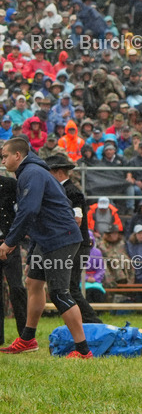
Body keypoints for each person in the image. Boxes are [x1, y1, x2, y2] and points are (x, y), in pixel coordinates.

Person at [0, 138, 91, 358]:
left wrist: (10, 241)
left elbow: (29, 211)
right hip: (47, 238)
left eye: (4, 156)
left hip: (61, 238)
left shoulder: (31, 173)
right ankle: (28, 339)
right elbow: (38, 215)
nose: (2, 161)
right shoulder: (29, 172)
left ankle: (83, 351)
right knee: (33, 282)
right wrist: (32, 250)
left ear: (17, 156)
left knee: (59, 293)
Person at [45, 154, 102, 324]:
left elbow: (77, 219)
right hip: (76, 245)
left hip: (76, 246)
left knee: (70, 287)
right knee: (70, 287)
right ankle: (87, 323)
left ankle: (93, 322)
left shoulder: (72, 192)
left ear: (59, 172)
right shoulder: (66, 190)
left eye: (50, 172)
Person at [0, 172, 28, 344]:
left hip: (10, 243)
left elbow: (22, 211)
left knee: (17, 288)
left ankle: (25, 336)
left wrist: (14, 239)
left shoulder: (11, 184)